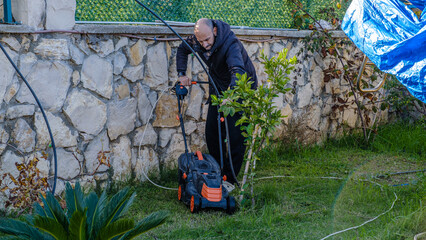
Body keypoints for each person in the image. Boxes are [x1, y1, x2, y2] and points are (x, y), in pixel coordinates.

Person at [176, 18, 258, 187]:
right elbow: (182, 50)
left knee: (235, 135)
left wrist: (232, 95)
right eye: (200, 41)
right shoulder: (198, 41)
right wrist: (182, 74)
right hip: (218, 87)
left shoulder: (230, 43)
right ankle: (219, 172)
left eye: (207, 40)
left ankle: (231, 178)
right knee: (213, 132)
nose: (204, 44)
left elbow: (238, 70)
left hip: (240, 88)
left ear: (214, 31)